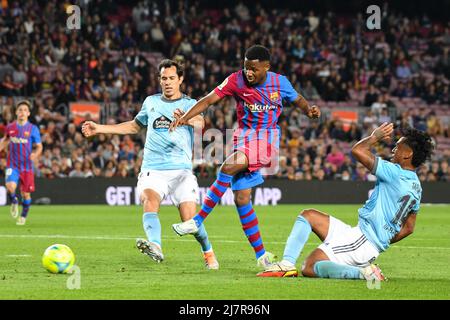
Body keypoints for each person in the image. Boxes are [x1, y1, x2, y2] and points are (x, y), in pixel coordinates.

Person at [170, 45, 320, 268]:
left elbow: (297, 99)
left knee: (227, 167)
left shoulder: (280, 83)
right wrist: (186, 117)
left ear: (266, 67)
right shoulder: (235, 80)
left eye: (254, 69)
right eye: (246, 67)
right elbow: (209, 99)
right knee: (241, 198)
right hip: (243, 138)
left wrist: (309, 110)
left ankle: (197, 220)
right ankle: (262, 255)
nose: (249, 72)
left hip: (267, 139)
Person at [81, 59, 219, 269]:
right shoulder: (151, 102)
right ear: (159, 80)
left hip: (181, 171)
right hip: (153, 169)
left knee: (190, 220)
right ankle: (155, 245)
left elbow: (201, 123)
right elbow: (134, 127)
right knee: (150, 200)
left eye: (172, 78)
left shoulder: (189, 104)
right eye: (164, 78)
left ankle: (208, 252)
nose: (168, 82)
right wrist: (100, 128)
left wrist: (187, 119)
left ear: (180, 79)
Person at [257, 124, 433, 280]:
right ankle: (287, 264)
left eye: (398, 146)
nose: (393, 149)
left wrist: (374, 137)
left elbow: (358, 151)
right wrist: (383, 241)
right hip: (360, 235)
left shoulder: (395, 172)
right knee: (308, 216)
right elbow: (409, 227)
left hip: (363, 240)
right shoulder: (416, 186)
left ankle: (363, 273)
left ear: (408, 154)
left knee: (309, 267)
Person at [0, 100, 43, 225]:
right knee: (10, 186)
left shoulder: (33, 129)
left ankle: (23, 216)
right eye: (20, 110)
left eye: (25, 110)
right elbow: (5, 140)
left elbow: (39, 146)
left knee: (26, 194)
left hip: (27, 166)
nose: (22, 112)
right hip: (13, 164)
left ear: (28, 113)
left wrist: (36, 154)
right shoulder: (10, 127)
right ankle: (13, 201)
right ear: (16, 112)